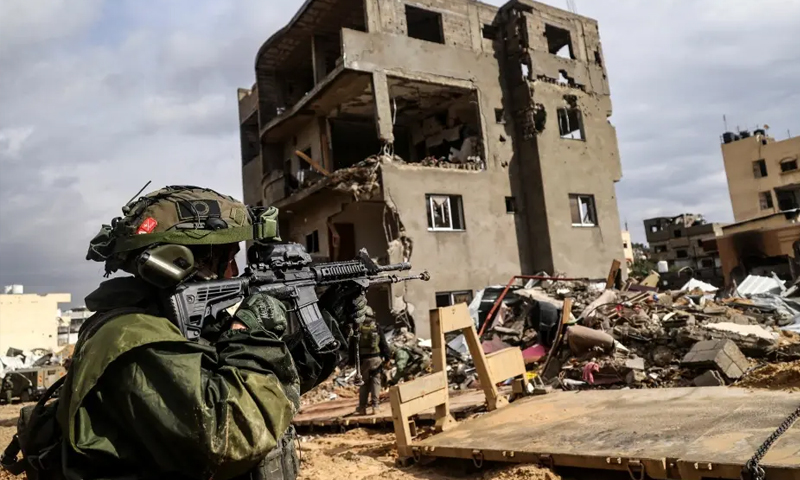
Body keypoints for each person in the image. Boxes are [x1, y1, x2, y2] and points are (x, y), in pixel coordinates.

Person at [4, 186, 364, 480]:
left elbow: (263, 392)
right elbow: (231, 435)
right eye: (229, 258)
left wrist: (329, 322)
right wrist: (250, 330)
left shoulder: (169, 327)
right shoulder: (134, 340)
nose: (235, 271)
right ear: (182, 261)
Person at [353, 307, 390, 415]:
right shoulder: (376, 327)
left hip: (363, 361)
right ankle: (375, 406)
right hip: (376, 359)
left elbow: (352, 346)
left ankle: (362, 408)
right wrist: (387, 357)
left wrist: (352, 361)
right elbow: (383, 343)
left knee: (364, 384)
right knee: (376, 382)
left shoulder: (357, 328)